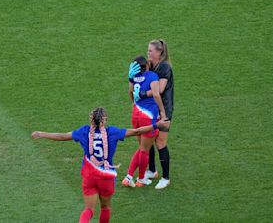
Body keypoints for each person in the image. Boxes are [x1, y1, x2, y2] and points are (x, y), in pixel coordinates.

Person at [31, 107, 169, 223]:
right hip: (106, 177)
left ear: (91, 120)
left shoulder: (84, 132)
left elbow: (62, 136)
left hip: (89, 175)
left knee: (88, 210)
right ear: (104, 121)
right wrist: (157, 125)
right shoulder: (113, 132)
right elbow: (137, 131)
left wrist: (41, 133)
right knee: (105, 207)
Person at [129, 39, 174, 189]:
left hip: (164, 108)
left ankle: (166, 178)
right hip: (152, 109)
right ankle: (152, 170)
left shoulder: (164, 68)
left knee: (160, 142)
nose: (148, 53)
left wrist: (142, 94)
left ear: (159, 52)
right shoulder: (150, 67)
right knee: (149, 138)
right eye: (148, 50)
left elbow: (159, 90)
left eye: (150, 51)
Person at [122, 56, 167, 188]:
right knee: (144, 149)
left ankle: (132, 177)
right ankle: (138, 179)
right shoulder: (152, 75)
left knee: (142, 147)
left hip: (135, 114)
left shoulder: (134, 79)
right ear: (146, 65)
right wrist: (162, 112)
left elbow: (131, 94)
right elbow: (156, 94)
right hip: (147, 116)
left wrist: (130, 79)